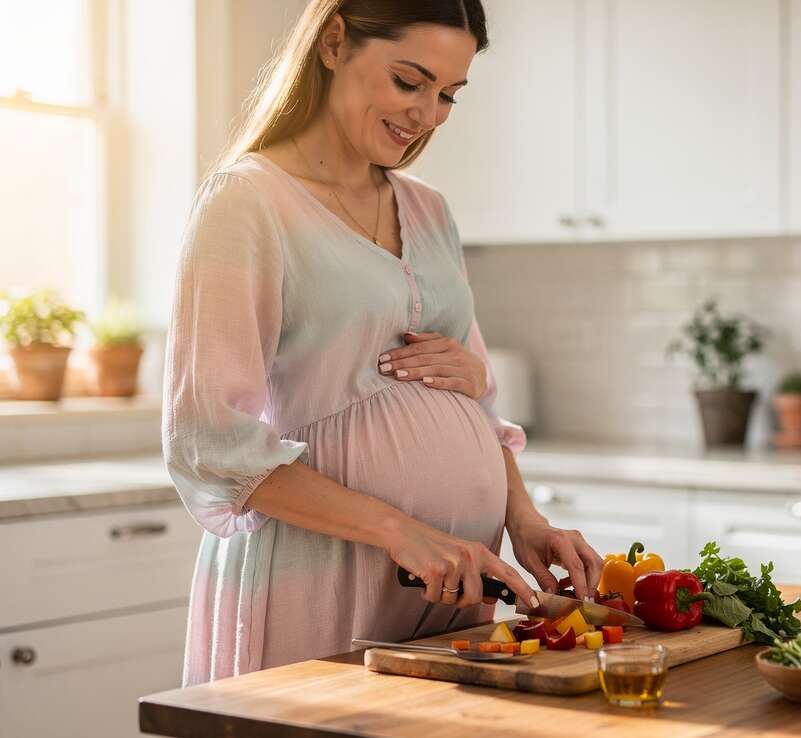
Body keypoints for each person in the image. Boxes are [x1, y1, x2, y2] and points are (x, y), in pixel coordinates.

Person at [163, 0, 602, 686]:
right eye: (409, 81)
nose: (427, 114)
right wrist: (403, 531)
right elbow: (208, 440)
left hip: (453, 589)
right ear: (335, 42)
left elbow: (472, 398)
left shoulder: (429, 209)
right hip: (319, 577)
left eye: (449, 94)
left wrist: (524, 515)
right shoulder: (247, 202)